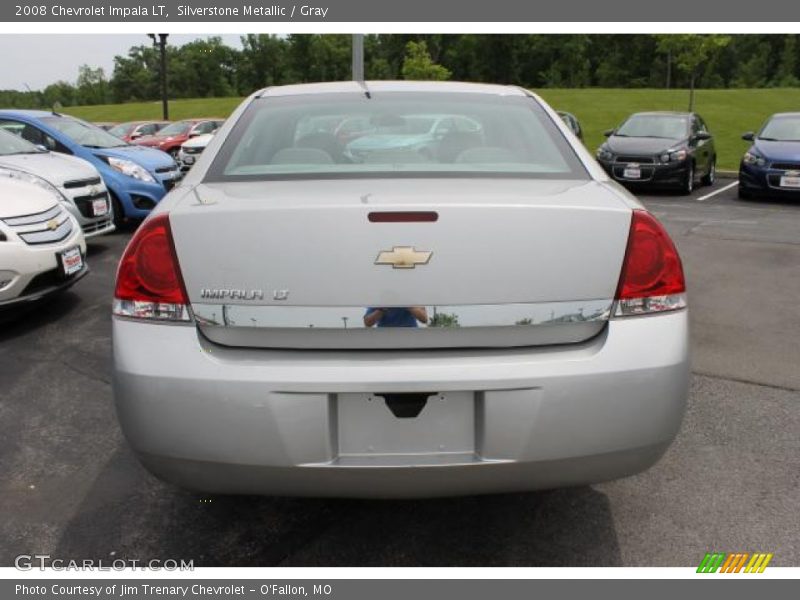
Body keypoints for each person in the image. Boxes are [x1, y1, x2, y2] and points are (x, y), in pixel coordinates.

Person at [363, 307, 428, 328]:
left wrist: (407, 306)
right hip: (384, 339)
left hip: (410, 338)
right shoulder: (379, 301)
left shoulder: (411, 299)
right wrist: (381, 310)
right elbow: (367, 323)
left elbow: (424, 319)